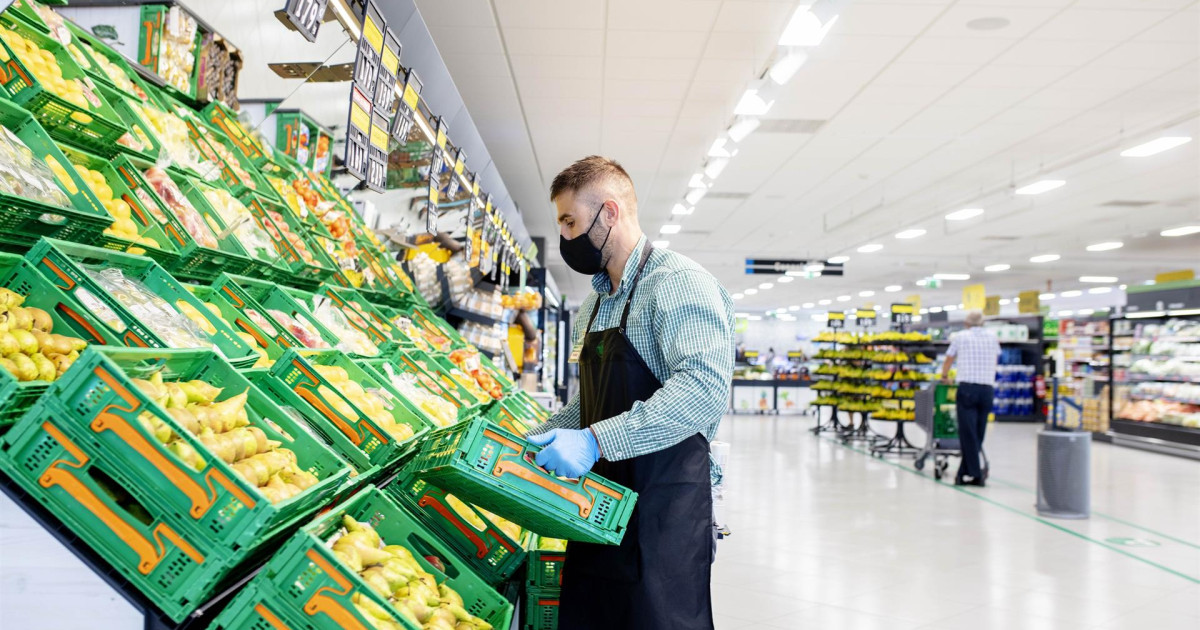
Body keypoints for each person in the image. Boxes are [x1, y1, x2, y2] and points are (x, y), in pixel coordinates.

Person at [527, 156, 734, 630]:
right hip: (597, 509)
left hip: (664, 512)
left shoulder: (678, 285)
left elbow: (701, 389)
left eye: (570, 221)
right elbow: (586, 406)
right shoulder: (595, 306)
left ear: (611, 213)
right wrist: (522, 441)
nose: (565, 237)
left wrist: (596, 442)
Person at [939, 311, 1000, 487]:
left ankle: (973, 473)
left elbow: (949, 357)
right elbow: (996, 357)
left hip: (967, 389)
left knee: (968, 433)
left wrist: (945, 375)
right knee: (978, 432)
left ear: (967, 323)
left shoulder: (961, 336)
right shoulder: (992, 337)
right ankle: (966, 473)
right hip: (987, 389)